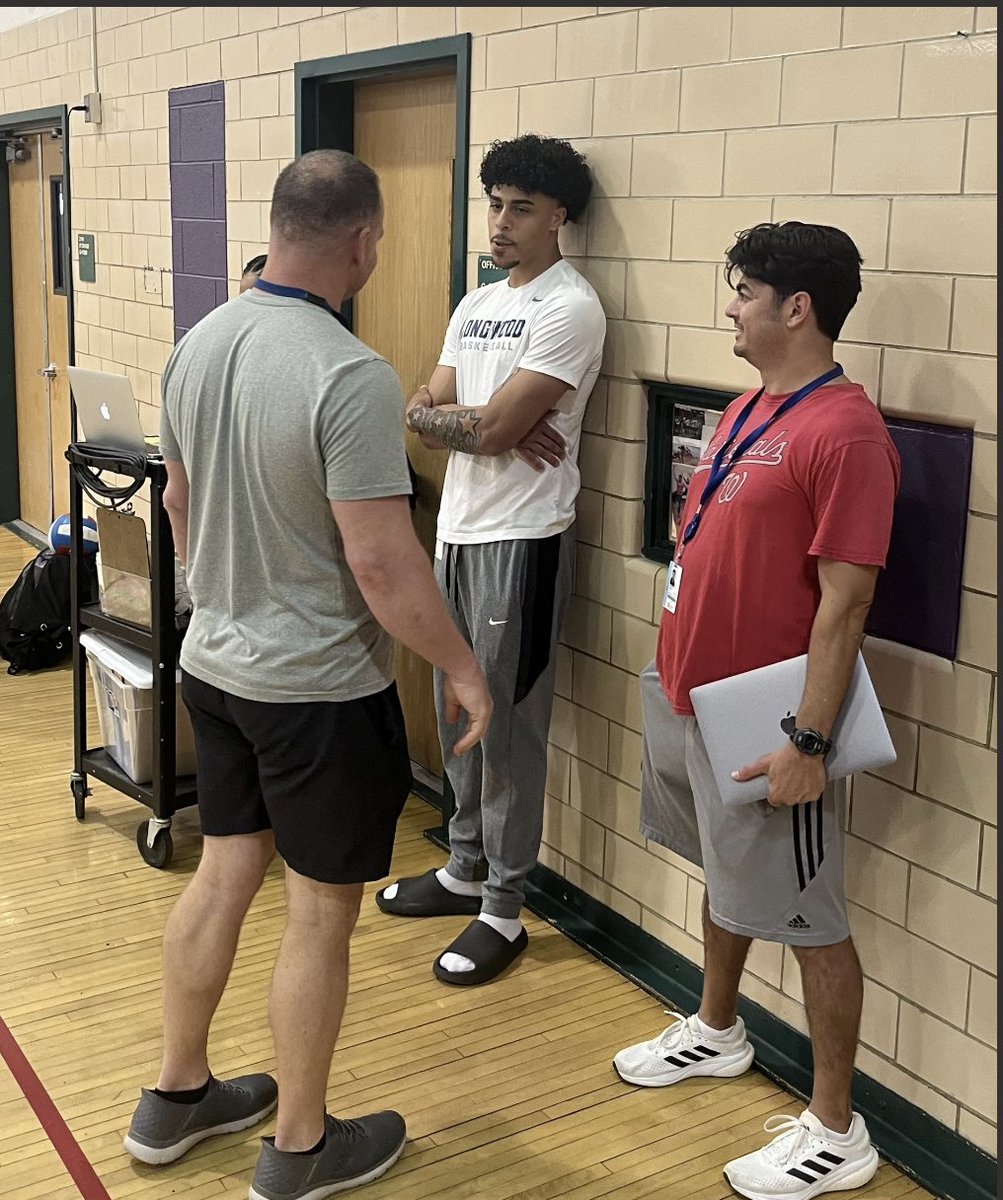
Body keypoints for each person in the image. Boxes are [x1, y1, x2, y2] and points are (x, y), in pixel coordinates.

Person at [123, 149, 492, 1200]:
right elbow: (380, 563)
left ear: (280, 224)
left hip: (216, 666)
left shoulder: (199, 345)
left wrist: (230, 600)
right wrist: (462, 669)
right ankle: (297, 1145)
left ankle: (176, 1096)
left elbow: (178, 507)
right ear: (363, 242)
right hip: (318, 694)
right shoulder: (350, 374)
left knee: (226, 870)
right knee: (320, 910)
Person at [612, 222, 900, 1200]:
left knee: (811, 917)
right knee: (725, 871)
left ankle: (834, 1125)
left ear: (796, 307)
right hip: (693, 692)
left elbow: (846, 602)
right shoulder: (747, 408)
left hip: (773, 720)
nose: (728, 307)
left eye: (741, 291)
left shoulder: (845, 431)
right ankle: (718, 1026)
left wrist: (807, 741)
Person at [374, 133, 606, 987]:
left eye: (519, 208)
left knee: (506, 725)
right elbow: (423, 406)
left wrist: (472, 422)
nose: (500, 223)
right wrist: (470, 420)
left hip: (524, 538)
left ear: (560, 219)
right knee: (454, 707)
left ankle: (504, 908)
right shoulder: (475, 305)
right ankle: (462, 865)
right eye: (494, 203)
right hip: (459, 534)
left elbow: (491, 428)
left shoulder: (569, 308)